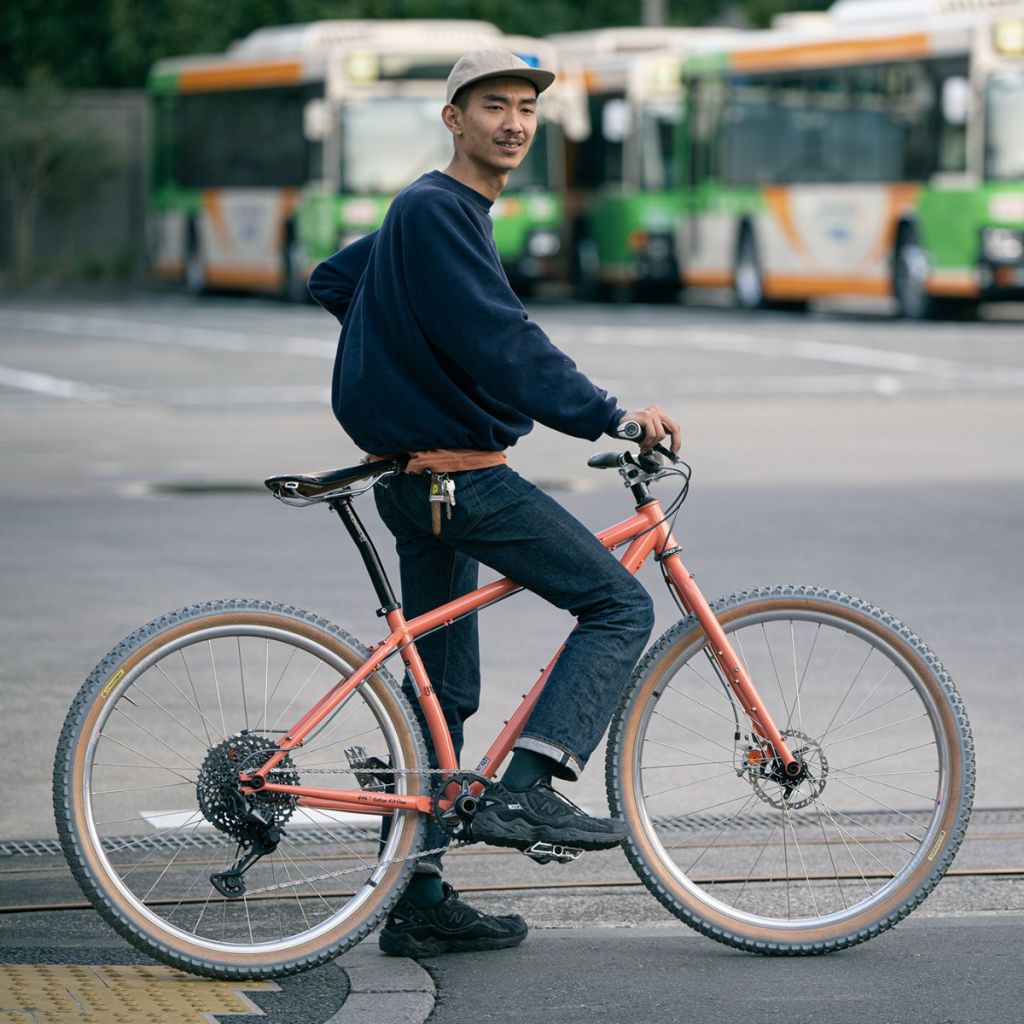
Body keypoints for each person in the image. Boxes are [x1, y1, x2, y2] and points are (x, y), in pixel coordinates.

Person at [308, 48, 681, 959]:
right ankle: (532, 782)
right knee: (619, 602)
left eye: (525, 108)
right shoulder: (438, 209)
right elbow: (504, 341)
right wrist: (612, 417)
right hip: (457, 481)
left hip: (414, 478)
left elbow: (333, 280)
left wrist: (403, 359)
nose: (513, 122)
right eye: (492, 107)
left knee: (443, 694)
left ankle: (418, 895)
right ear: (454, 120)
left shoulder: (432, 214)